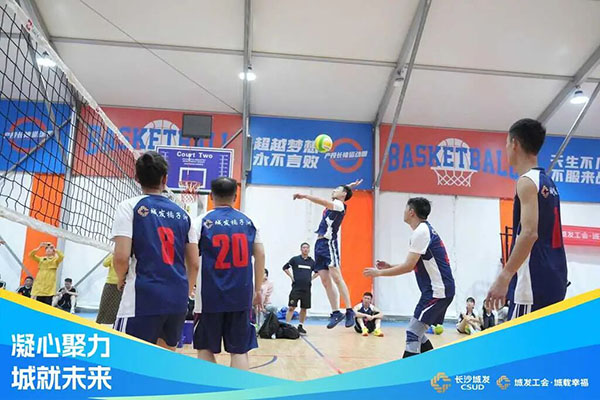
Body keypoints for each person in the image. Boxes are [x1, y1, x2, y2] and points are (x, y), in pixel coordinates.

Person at [112, 151, 199, 350]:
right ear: (165, 179)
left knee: (126, 359)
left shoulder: (128, 207)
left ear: (136, 178)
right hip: (176, 299)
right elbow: (194, 263)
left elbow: (121, 257)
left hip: (142, 296)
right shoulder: (183, 214)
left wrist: (120, 278)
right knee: (164, 362)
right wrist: (185, 293)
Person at [486, 119, 568, 319]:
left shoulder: (526, 182)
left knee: (517, 338)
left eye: (506, 143)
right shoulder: (548, 182)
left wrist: (505, 276)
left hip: (532, 282)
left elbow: (529, 233)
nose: (506, 149)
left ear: (514, 143)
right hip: (555, 276)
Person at [364, 197, 455, 358]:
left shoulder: (421, 232)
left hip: (437, 292)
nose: (404, 212)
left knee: (413, 333)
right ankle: (435, 366)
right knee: (418, 334)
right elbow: (414, 264)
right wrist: (390, 266)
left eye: (405, 208)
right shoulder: (423, 230)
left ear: (411, 212)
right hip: (437, 290)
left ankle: (408, 372)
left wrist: (378, 273)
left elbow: (408, 267)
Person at [192, 177, 265, 370]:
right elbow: (260, 255)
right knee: (240, 351)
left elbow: (190, 258)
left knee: (205, 348)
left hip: (209, 297)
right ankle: (236, 387)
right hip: (241, 295)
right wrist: (258, 290)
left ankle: (214, 386)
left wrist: (188, 284)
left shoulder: (200, 222)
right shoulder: (249, 222)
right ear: (235, 196)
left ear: (211, 196)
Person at [293, 179, 362, 329]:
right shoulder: (337, 201)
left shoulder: (339, 205)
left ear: (343, 195)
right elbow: (342, 192)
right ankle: (336, 312)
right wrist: (349, 187)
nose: (333, 190)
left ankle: (349, 310)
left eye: (337, 189)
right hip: (319, 245)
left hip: (329, 244)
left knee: (337, 277)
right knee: (325, 281)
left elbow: (323, 201)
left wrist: (305, 196)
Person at [283, 242, 317, 335]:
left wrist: (311, 278)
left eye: (307, 248)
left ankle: (300, 326)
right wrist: (291, 277)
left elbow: (317, 271)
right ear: (301, 249)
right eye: (304, 247)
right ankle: (287, 326)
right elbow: (285, 267)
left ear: (309, 250)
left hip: (306, 289)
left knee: (304, 308)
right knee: (291, 307)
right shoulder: (295, 259)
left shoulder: (312, 262)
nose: (305, 249)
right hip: (296, 288)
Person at [96, 254, 123, 325]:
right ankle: (99, 321)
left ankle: (114, 322)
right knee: (104, 303)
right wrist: (112, 254)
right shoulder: (112, 256)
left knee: (117, 305)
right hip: (110, 283)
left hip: (121, 283)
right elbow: (105, 264)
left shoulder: (126, 257)